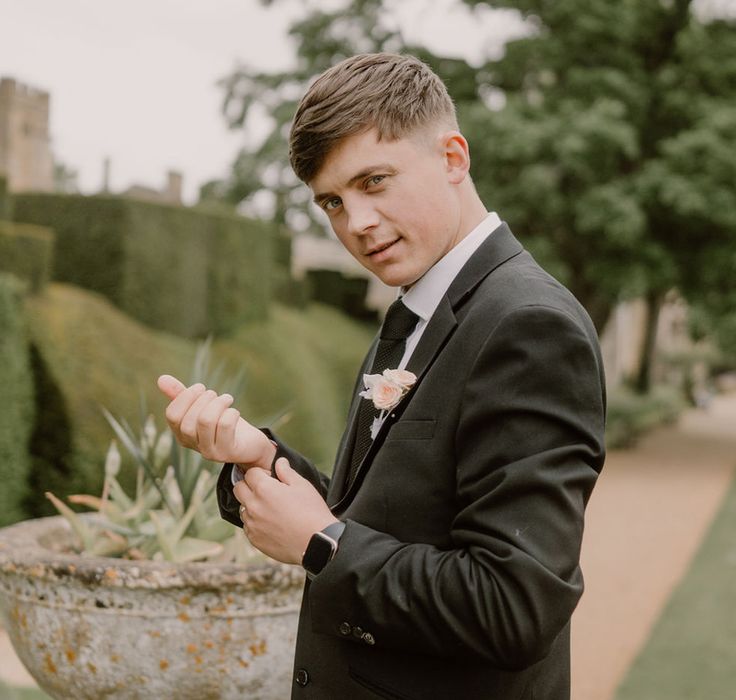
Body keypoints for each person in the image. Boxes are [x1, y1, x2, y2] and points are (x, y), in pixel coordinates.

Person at [158, 52, 605, 699]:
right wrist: (260, 458)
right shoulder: (421, 307)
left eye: (374, 181)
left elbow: (515, 608)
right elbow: (386, 515)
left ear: (453, 158)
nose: (355, 224)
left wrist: (321, 546)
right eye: (333, 202)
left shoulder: (527, 324)